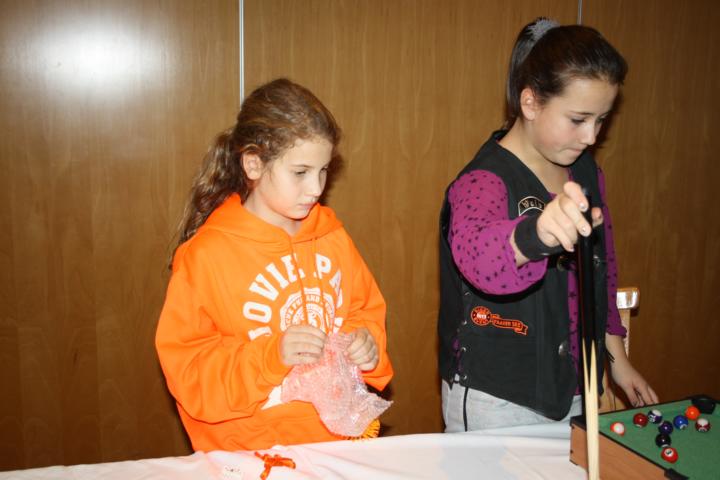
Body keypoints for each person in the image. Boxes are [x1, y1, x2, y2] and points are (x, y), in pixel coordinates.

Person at [437, 18, 658, 432]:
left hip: (572, 388)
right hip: (494, 398)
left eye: (601, 120)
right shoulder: (482, 181)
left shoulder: (586, 173)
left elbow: (601, 272)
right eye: (578, 119)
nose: (591, 137)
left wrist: (617, 359)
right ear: (531, 103)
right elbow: (479, 259)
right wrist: (534, 235)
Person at [156, 78, 393, 451]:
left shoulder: (332, 237)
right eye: (300, 172)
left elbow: (364, 311)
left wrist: (365, 344)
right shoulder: (206, 255)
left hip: (334, 443)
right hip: (248, 451)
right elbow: (190, 371)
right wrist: (272, 356)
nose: (315, 188)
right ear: (253, 164)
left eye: (323, 170)